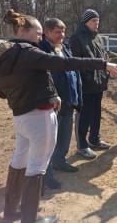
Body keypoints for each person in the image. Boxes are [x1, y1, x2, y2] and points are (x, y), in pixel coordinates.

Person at [0, 9, 117, 223]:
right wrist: (103, 64)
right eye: (38, 33)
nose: (40, 38)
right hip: (40, 116)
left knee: (19, 160)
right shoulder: (29, 53)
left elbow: (0, 92)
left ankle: (11, 211)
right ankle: (30, 218)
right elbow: (65, 64)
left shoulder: (2, 55)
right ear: (23, 30)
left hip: (21, 116)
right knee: (36, 167)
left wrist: (48, 93)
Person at [39, 18, 82, 190]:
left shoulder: (64, 47)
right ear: (47, 32)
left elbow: (73, 71)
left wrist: (76, 95)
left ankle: (60, 161)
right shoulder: (41, 50)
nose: (62, 35)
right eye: (58, 32)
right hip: (52, 102)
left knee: (65, 134)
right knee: (49, 140)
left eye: (63, 31)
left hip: (68, 99)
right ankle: (46, 173)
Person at [70, 9, 113, 159]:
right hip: (85, 84)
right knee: (84, 114)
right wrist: (83, 79)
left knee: (96, 112)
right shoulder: (76, 38)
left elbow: (103, 56)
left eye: (98, 21)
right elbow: (75, 62)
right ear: (85, 22)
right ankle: (82, 144)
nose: (97, 24)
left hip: (98, 82)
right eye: (93, 21)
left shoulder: (98, 38)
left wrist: (106, 73)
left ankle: (95, 138)